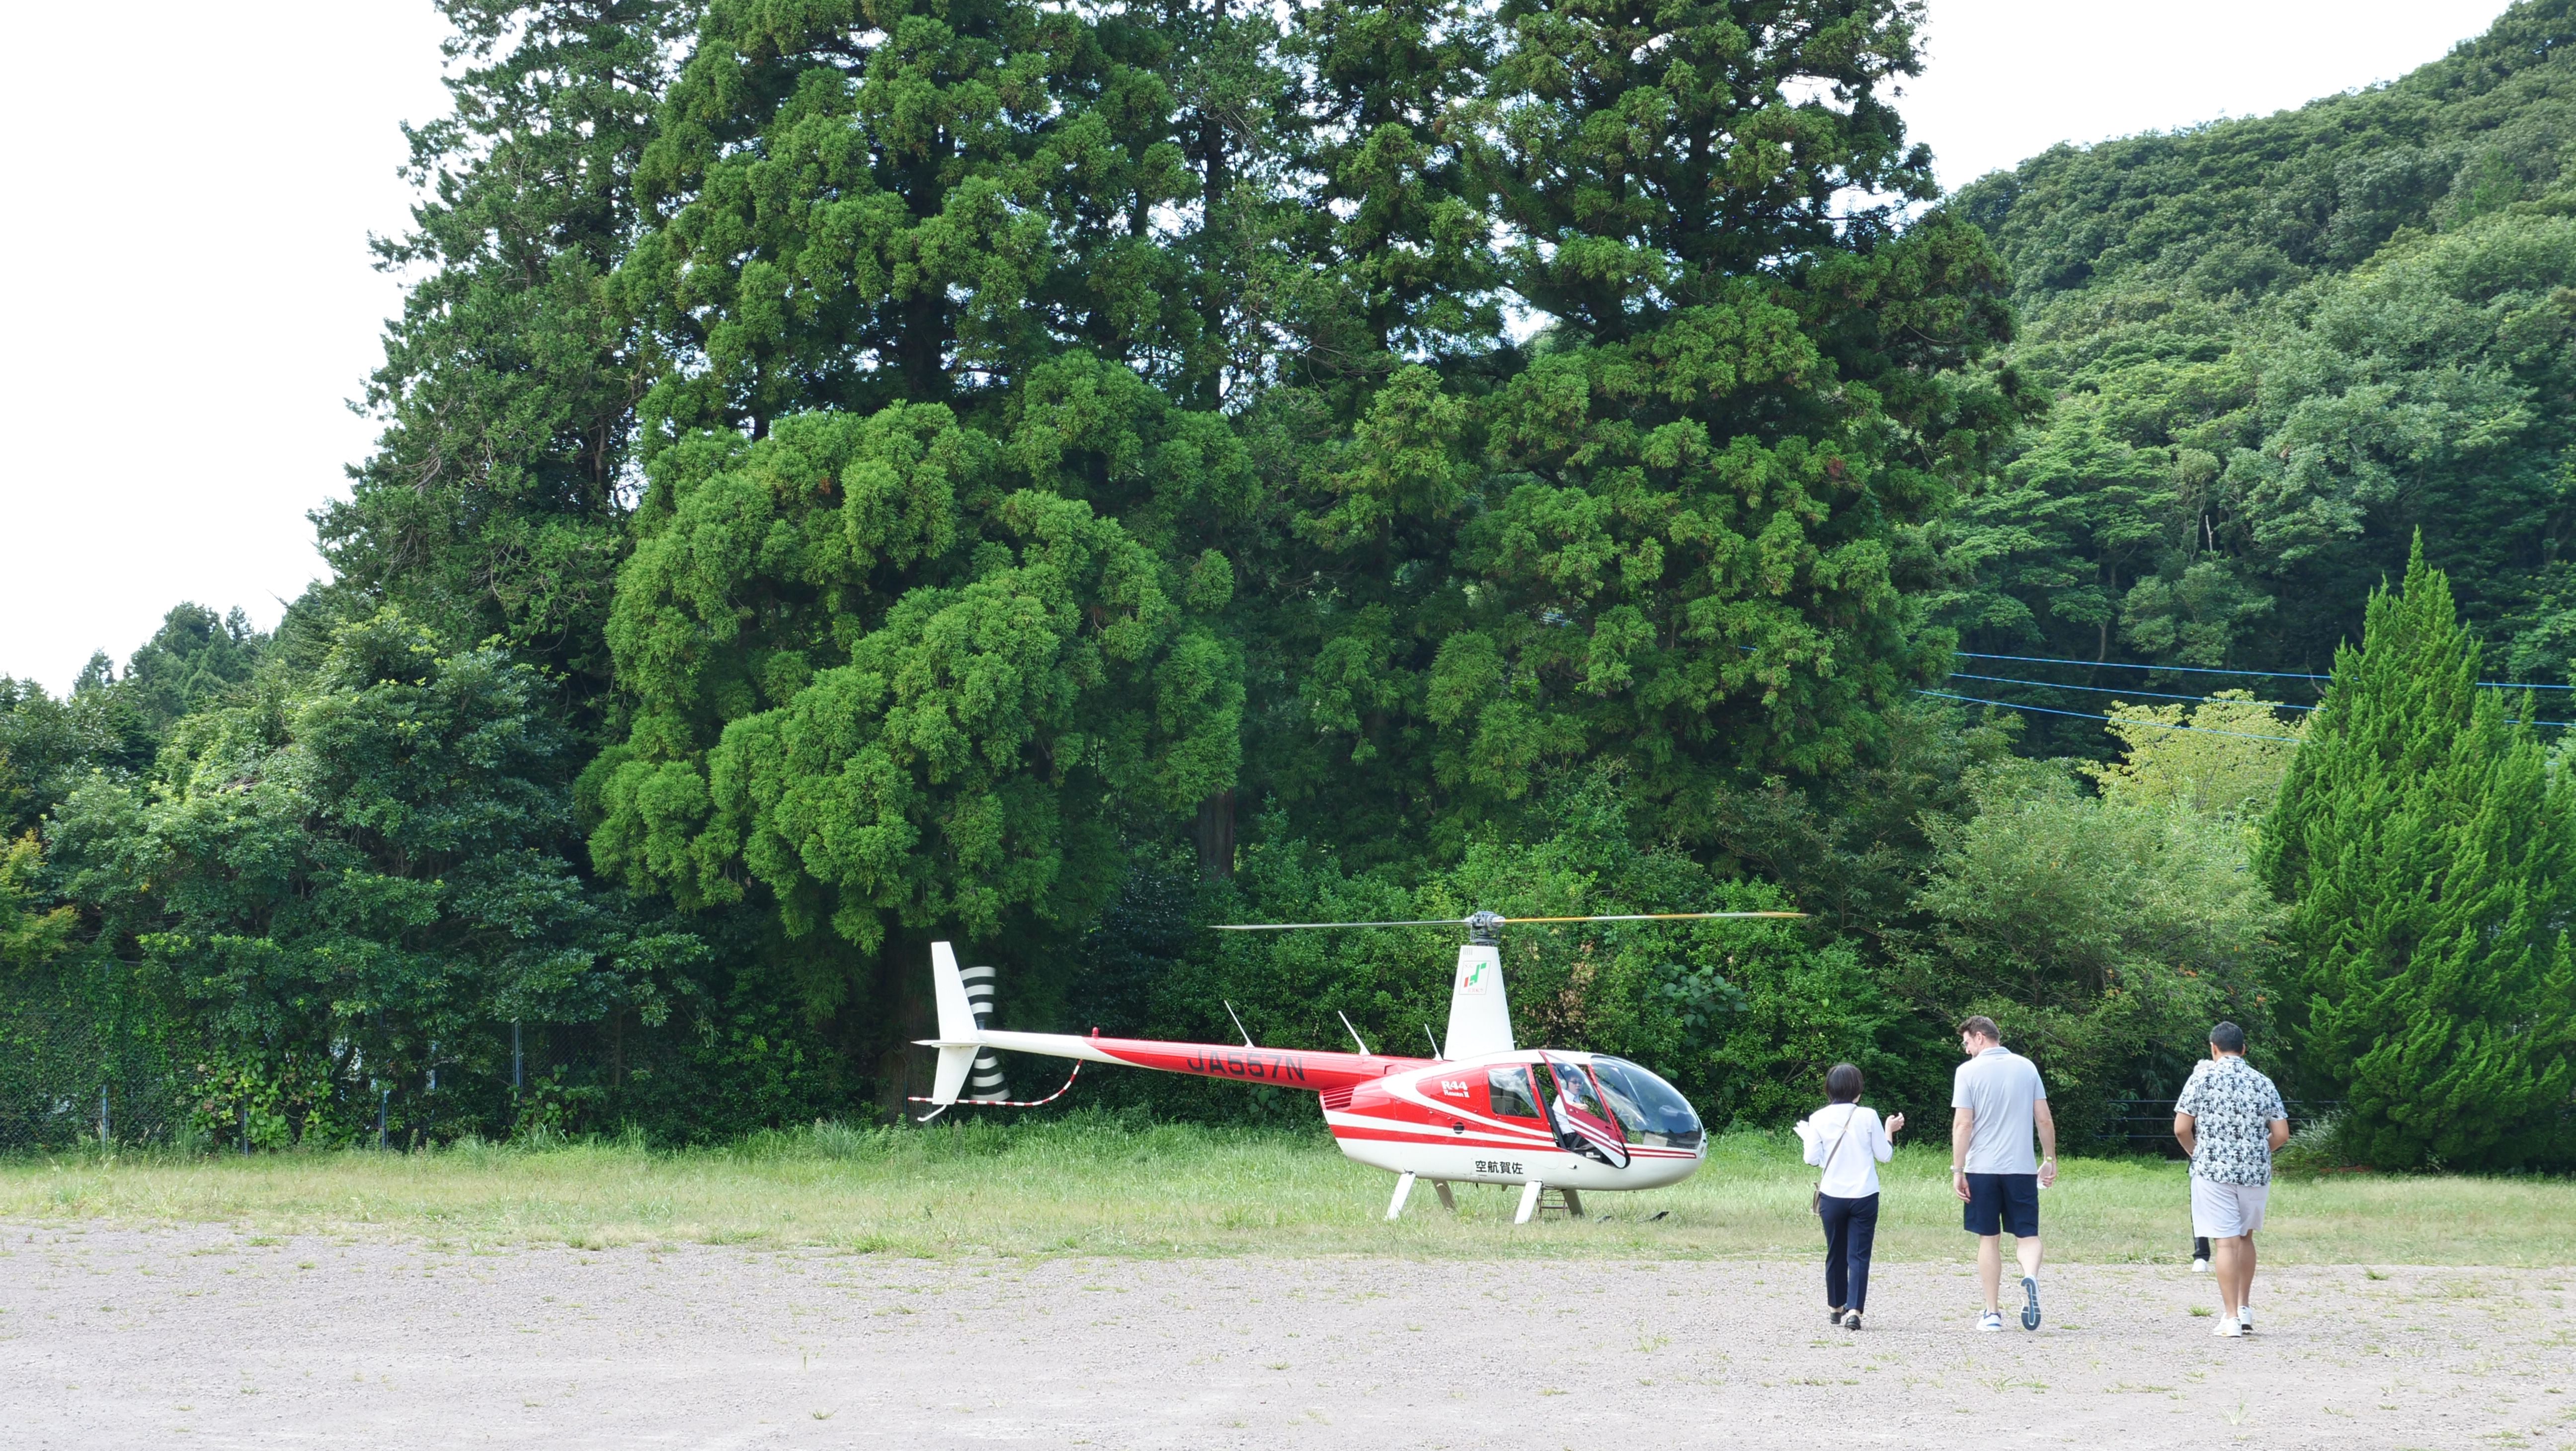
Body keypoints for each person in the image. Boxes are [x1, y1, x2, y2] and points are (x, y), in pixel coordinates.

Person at [2173, 1021, 2289, 1339]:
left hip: (2213, 1171)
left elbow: (2182, 1128)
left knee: (2224, 1243)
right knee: (2245, 1238)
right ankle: (2246, 1307)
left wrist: (2196, 1152)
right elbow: (2281, 1134)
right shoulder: (2263, 1082)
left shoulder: (2202, 1078)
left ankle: (2230, 1318)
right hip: (2254, 1171)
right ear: (2244, 1049)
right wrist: (2257, 1151)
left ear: (2213, 1048)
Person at [1950, 1016, 2056, 1332]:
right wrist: (2049, 1159)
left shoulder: (1967, 1072)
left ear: (1980, 1037)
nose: (1967, 1050)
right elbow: (2044, 1120)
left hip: (1982, 1168)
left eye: (1967, 1042)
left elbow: (1963, 1124)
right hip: (2021, 1168)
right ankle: (2030, 1277)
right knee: (2028, 1235)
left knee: (1989, 1238)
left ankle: (1993, 1313)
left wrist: (1958, 1169)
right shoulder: (2027, 1068)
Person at [1799, 1063, 1905, 1331]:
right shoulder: (1868, 1116)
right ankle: (1854, 1311)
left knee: (1835, 1252)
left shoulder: (1818, 1118)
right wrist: (1889, 1129)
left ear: (1829, 1089)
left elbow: (1811, 1159)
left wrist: (1809, 1139)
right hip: (1865, 1195)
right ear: (1858, 1090)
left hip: (1833, 1195)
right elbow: (1885, 1156)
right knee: (1859, 1255)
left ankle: (1836, 1307)